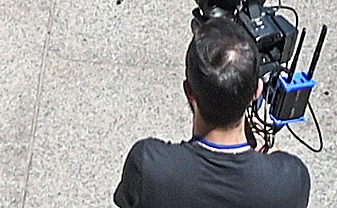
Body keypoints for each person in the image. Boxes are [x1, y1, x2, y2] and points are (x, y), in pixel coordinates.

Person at [112, 17, 315, 207]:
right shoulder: (291, 180)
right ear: (257, 92)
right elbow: (280, 168)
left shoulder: (148, 166)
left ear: (189, 91)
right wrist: (269, 147)